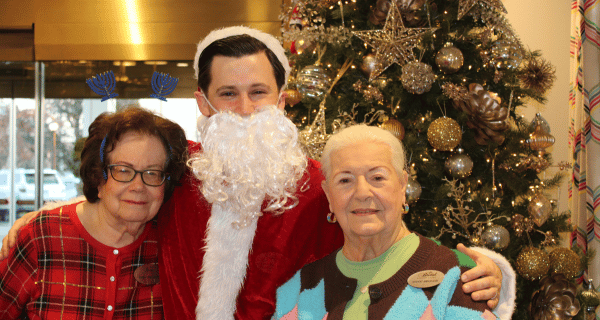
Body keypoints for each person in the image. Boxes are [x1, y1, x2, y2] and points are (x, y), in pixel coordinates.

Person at [1, 27, 514, 320]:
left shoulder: (322, 184)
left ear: (282, 100)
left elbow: (380, 233)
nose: (245, 110)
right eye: (227, 94)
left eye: (258, 93)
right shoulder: (175, 176)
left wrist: (477, 266)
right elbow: (118, 208)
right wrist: (44, 227)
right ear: (203, 102)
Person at [275, 125, 501, 319]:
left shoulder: (458, 275)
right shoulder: (298, 290)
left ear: (402, 185)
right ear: (328, 196)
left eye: (377, 177)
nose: (362, 192)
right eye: (345, 180)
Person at [0, 107, 188, 319]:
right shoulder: (43, 236)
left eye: (152, 173)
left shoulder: (172, 244)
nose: (138, 186)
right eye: (123, 170)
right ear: (98, 177)